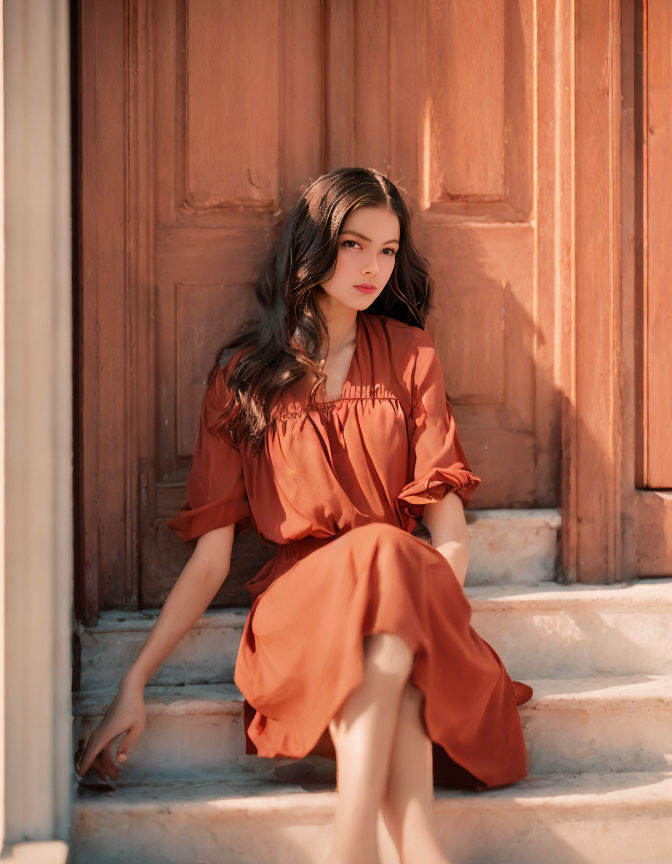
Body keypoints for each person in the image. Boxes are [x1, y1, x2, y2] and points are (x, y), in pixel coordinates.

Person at [74, 167, 533, 864]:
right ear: (314, 246)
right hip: (299, 609)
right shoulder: (243, 375)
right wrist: (132, 684)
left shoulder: (412, 356)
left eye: (388, 250)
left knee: (390, 595)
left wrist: (420, 612)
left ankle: (375, 848)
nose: (373, 267)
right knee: (384, 563)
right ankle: (373, 846)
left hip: (404, 594)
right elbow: (212, 560)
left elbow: (448, 540)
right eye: (354, 245)